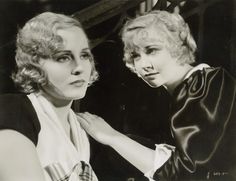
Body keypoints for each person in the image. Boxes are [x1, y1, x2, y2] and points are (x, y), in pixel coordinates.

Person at [77, 10, 236, 180]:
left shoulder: (208, 84)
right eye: (135, 55)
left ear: (177, 47)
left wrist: (112, 137)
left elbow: (187, 173)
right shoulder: (191, 89)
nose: (143, 64)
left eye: (152, 50)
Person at [0, 12, 99, 181]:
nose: (79, 67)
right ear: (34, 64)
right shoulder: (14, 112)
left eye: (84, 55)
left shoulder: (80, 129)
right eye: (63, 58)